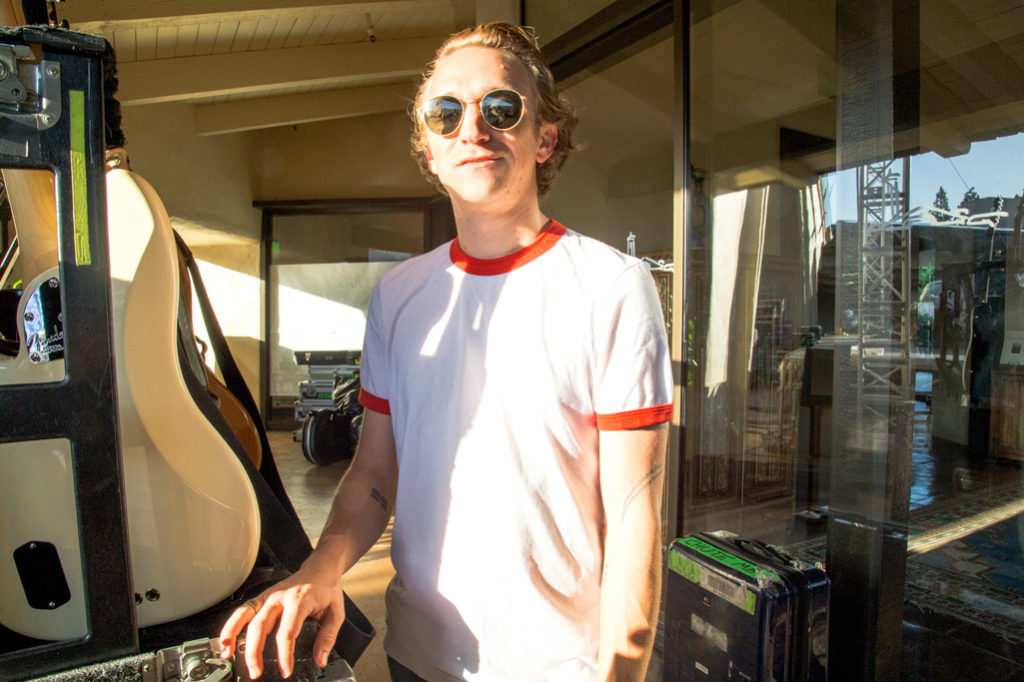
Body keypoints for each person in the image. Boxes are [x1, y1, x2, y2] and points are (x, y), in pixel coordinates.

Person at [219, 22, 673, 682]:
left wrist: (621, 673)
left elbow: (635, 515)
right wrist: (321, 568)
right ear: (429, 152)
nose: (473, 128)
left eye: (501, 108)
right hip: (417, 659)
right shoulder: (400, 297)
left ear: (544, 138)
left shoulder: (612, 288)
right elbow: (375, 472)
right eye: (446, 112)